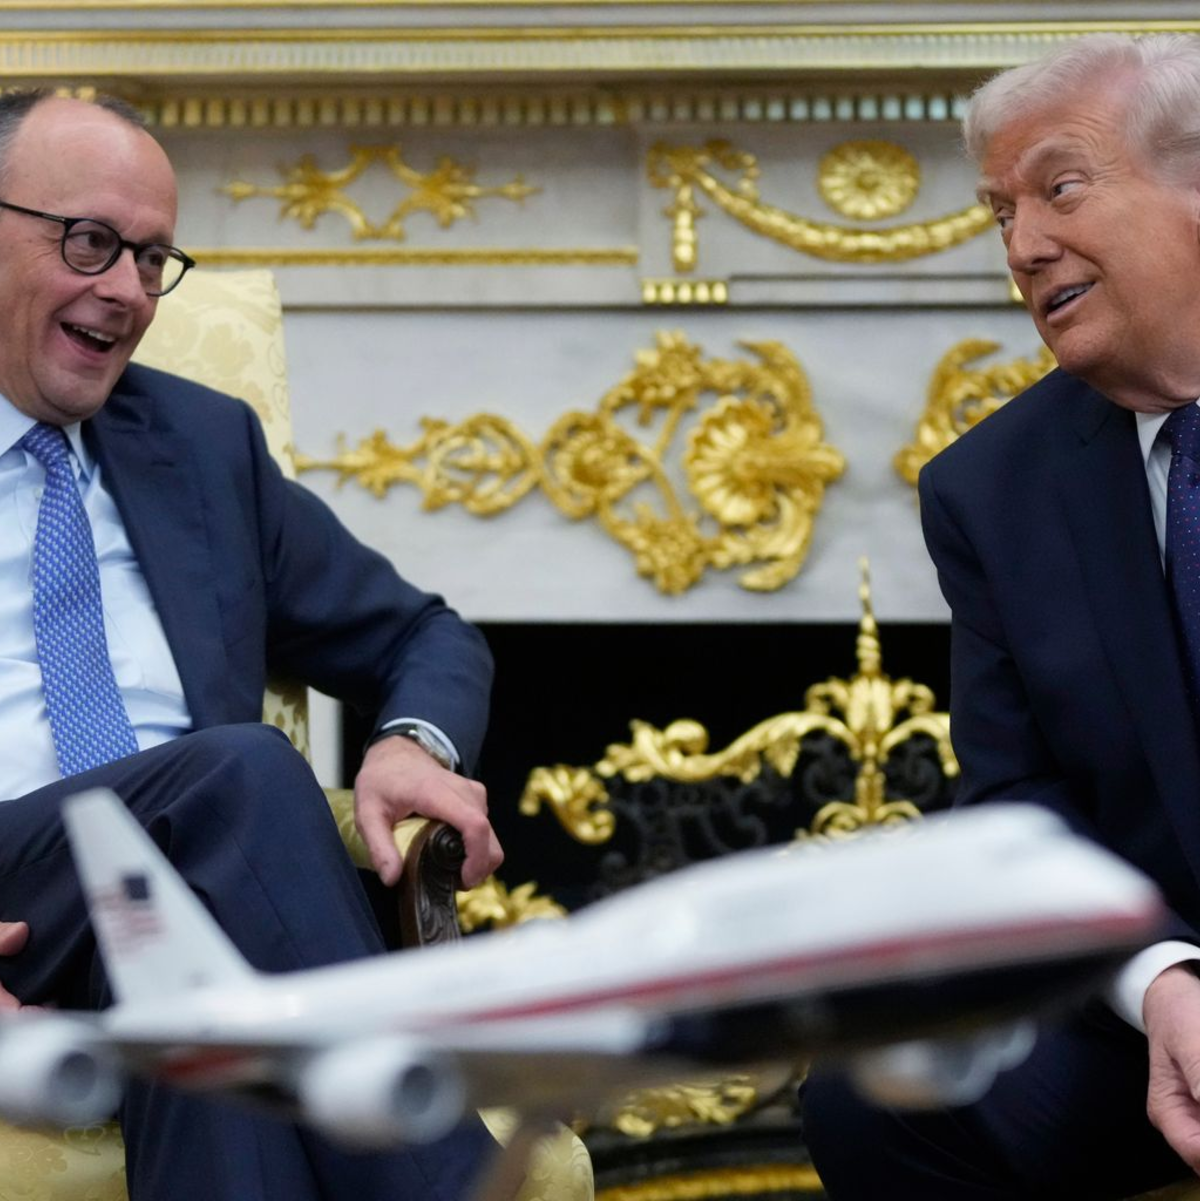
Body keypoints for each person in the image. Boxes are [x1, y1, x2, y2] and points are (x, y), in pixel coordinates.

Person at [0, 89, 505, 1199]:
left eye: (152, 259)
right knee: (241, 771)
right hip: (17, 897)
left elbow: (422, 632)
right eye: (91, 243)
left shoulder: (198, 444)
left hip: (182, 896)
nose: (127, 292)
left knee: (202, 1008)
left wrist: (411, 744)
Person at [802, 31, 1200, 1199]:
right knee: (883, 1087)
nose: (1024, 246)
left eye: (1061, 187)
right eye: (1000, 213)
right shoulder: (991, 488)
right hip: (1162, 1001)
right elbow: (1018, 806)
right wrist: (1166, 980)